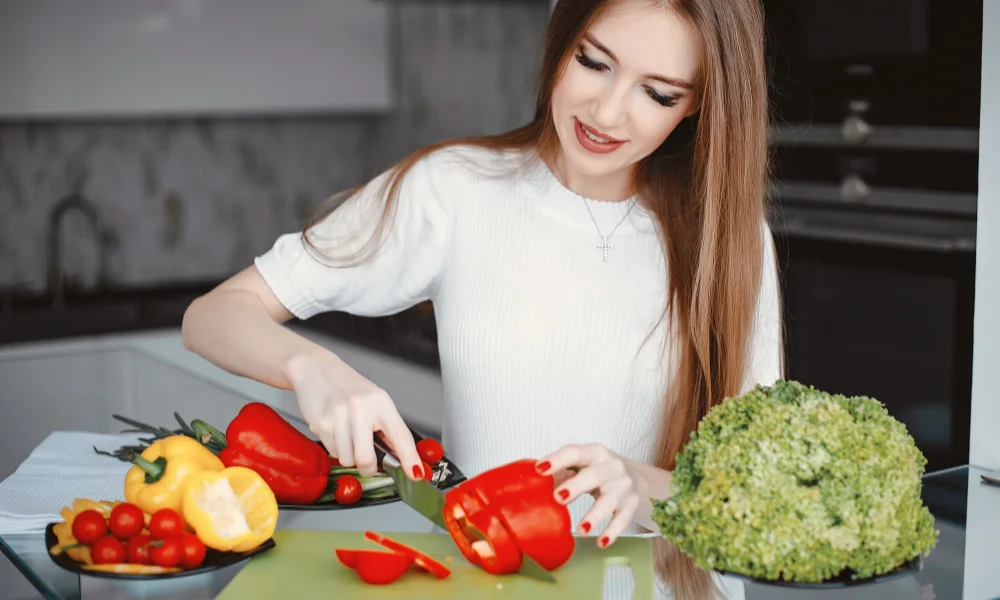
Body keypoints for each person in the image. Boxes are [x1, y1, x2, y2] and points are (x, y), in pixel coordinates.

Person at [181, 0, 782, 598]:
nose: (607, 111)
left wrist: (640, 482)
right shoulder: (455, 189)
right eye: (593, 62)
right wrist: (309, 366)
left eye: (659, 95)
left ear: (700, 101)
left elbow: (762, 496)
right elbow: (211, 316)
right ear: (561, 41)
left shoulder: (730, 239)